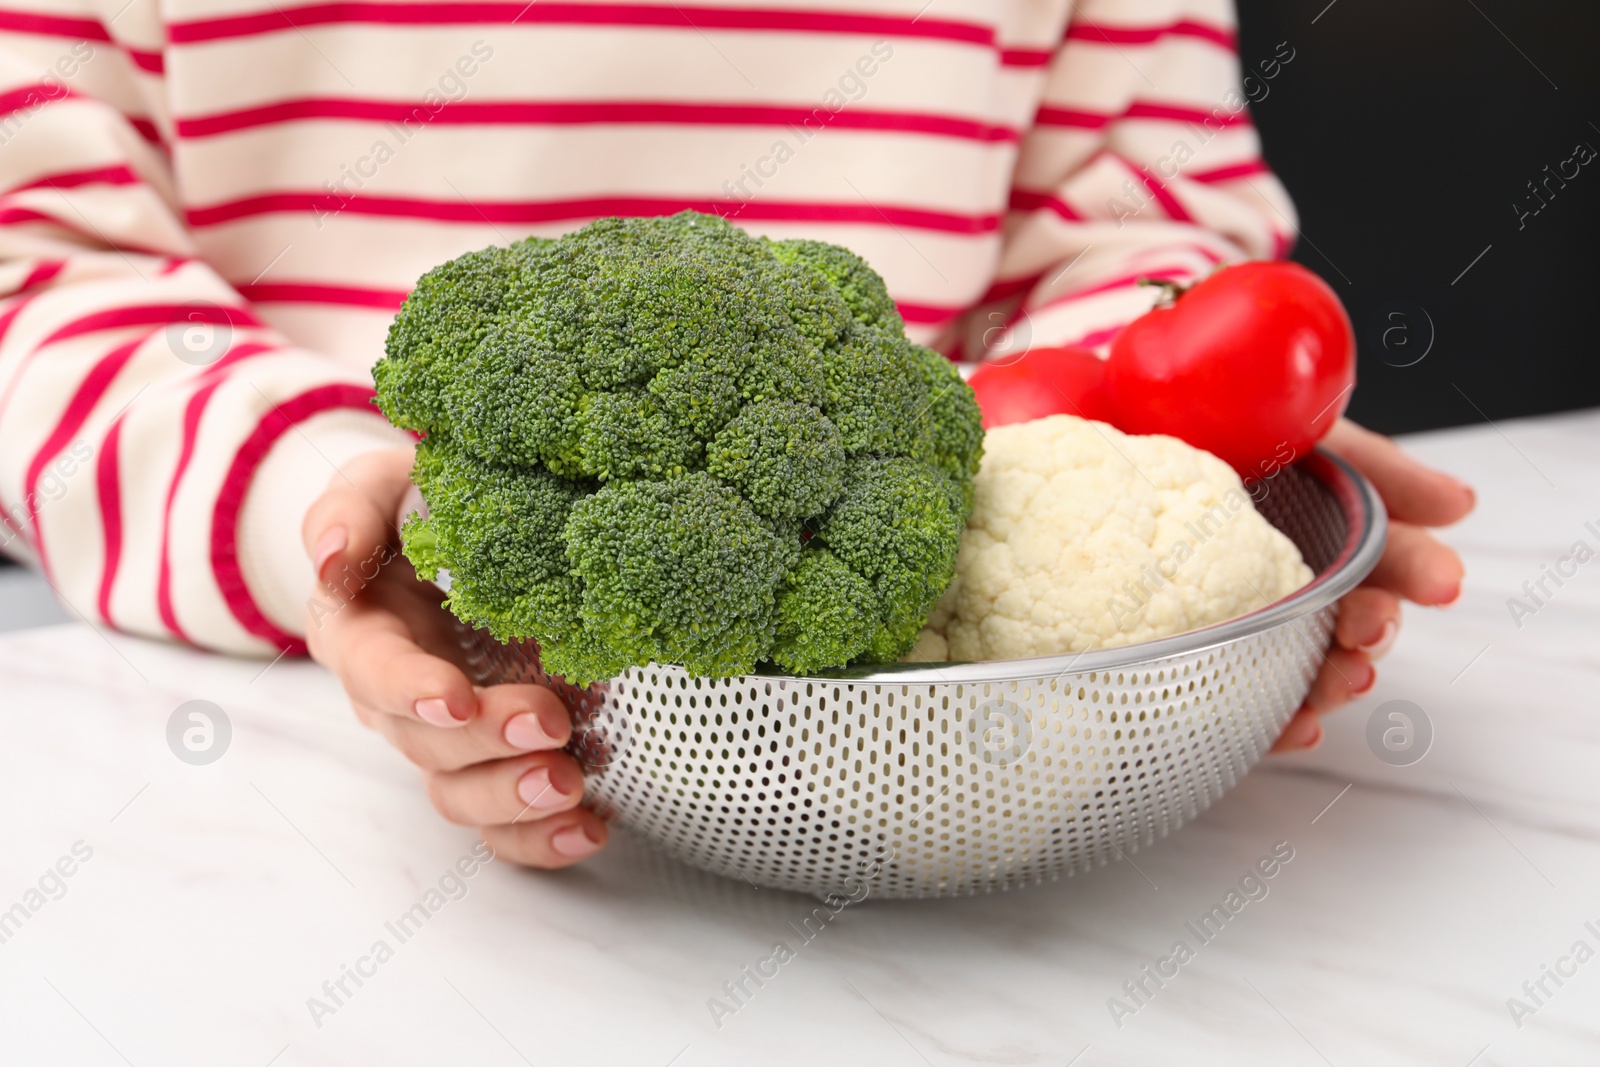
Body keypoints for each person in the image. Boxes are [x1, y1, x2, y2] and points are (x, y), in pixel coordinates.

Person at [0, 0, 1471, 868]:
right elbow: (38, 272)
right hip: (251, 807)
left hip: (948, 721)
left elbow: (1137, 220)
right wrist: (330, 509)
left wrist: (1157, 496)